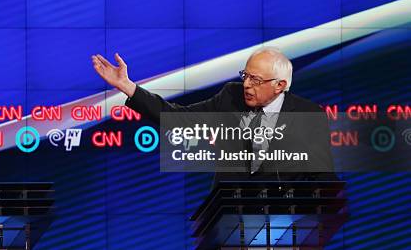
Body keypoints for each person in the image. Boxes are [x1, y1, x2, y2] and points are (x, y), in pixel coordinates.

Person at [91, 47, 335, 181]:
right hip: (230, 224)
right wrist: (128, 87)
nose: (247, 85)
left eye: (256, 80)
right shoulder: (231, 97)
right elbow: (177, 119)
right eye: (246, 76)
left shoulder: (309, 115)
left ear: (280, 85)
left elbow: (324, 181)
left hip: (288, 230)